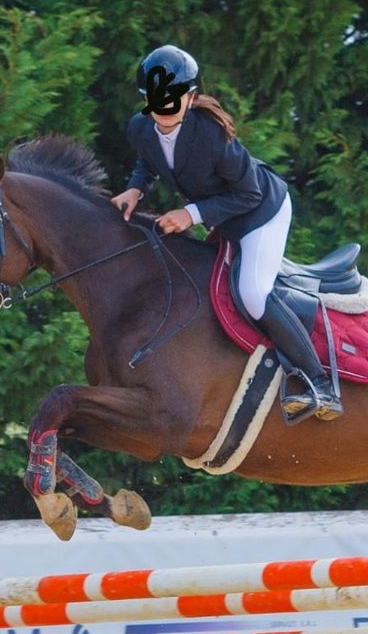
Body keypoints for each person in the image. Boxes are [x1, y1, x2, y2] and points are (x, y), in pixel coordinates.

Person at [110, 44, 342, 422]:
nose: (162, 111)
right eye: (154, 102)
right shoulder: (140, 128)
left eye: (171, 100)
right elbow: (146, 161)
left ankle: (319, 382)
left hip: (261, 210)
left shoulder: (211, 134)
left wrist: (191, 214)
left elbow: (248, 193)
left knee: (252, 293)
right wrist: (136, 188)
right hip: (223, 215)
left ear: (191, 97)